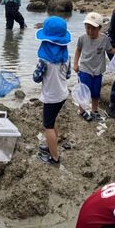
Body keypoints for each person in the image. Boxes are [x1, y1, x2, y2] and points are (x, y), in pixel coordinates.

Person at [33, 16, 71, 165]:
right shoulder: (66, 57)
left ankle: (54, 157)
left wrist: (39, 72)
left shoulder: (43, 61)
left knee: (48, 126)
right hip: (62, 94)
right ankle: (52, 144)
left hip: (51, 97)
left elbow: (36, 78)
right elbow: (68, 75)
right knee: (52, 120)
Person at [73, 12, 112, 121]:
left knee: (95, 93)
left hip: (98, 71)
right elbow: (78, 50)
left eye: (93, 29)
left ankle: (94, 111)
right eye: (87, 28)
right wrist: (75, 64)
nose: (90, 31)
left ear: (99, 28)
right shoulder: (82, 38)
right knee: (84, 91)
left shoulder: (104, 39)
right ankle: (81, 111)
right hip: (84, 70)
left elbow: (110, 50)